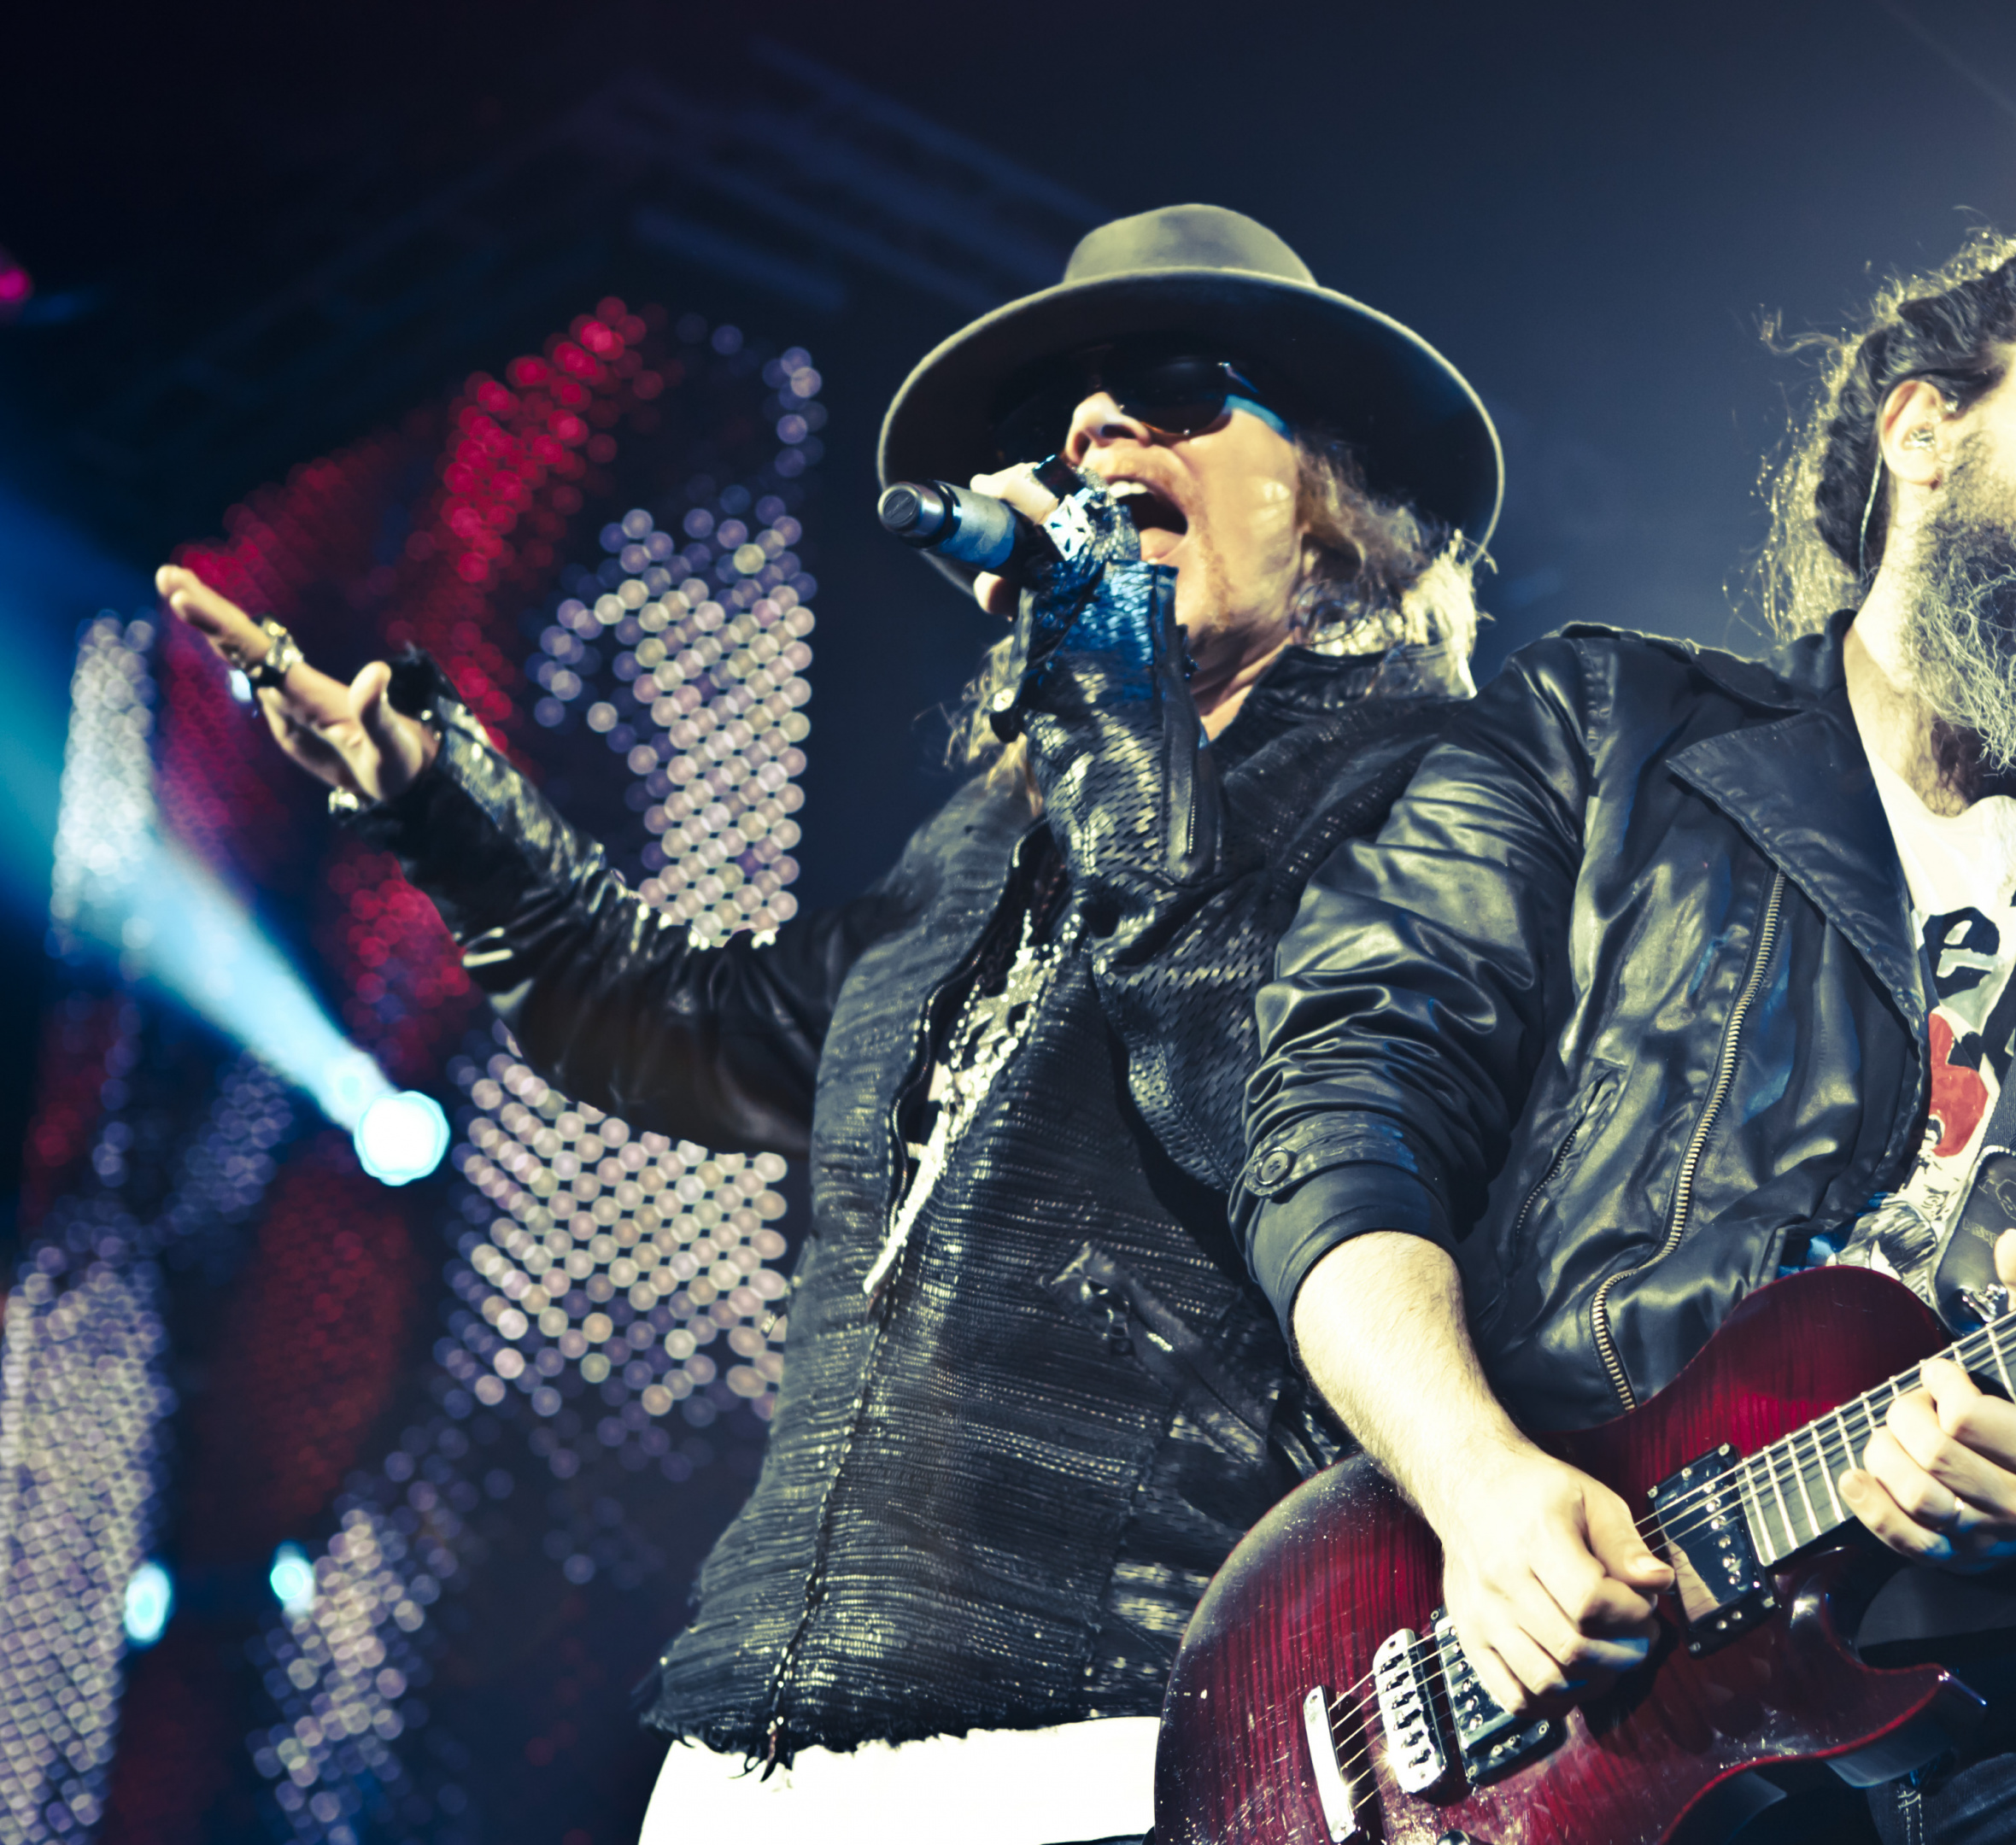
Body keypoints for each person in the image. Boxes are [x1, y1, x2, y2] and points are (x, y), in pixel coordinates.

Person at [160, 203, 1497, 1845]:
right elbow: (687, 1018)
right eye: (1059, 417)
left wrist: (1103, 672)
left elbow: (1260, 1087)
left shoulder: (1427, 793)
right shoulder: (974, 857)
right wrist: (435, 803)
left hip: (1129, 1725)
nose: (1095, 431)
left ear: (1332, 493)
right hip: (769, 1747)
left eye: (1171, 387)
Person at [1239, 209, 2016, 1842]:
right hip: (1620, 1673)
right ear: (1923, 429)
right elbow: (1344, 1100)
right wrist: (1474, 1479)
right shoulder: (1608, 730)